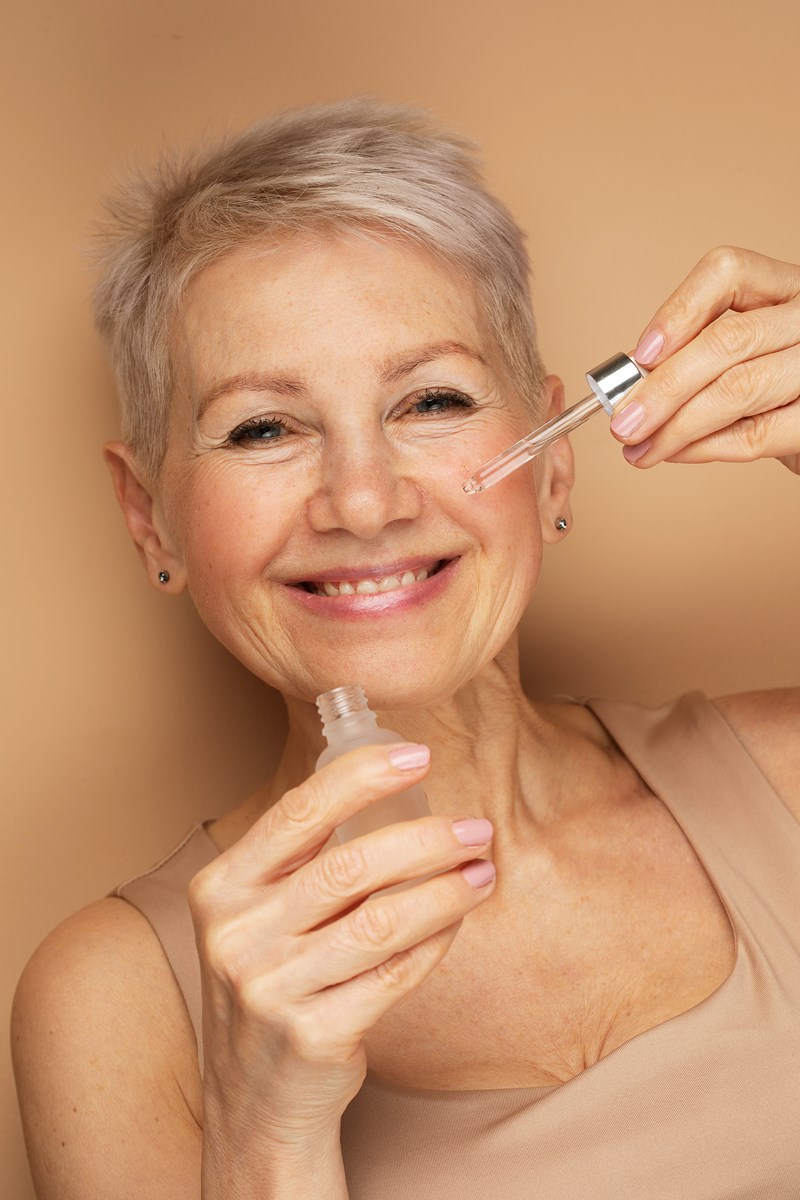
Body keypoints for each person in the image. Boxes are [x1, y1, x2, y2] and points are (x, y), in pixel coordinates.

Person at [11, 98, 800, 1199]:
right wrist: (267, 1136)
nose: (364, 501)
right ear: (150, 518)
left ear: (553, 466)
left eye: (430, 399)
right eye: (263, 428)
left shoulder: (782, 780)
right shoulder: (117, 1001)